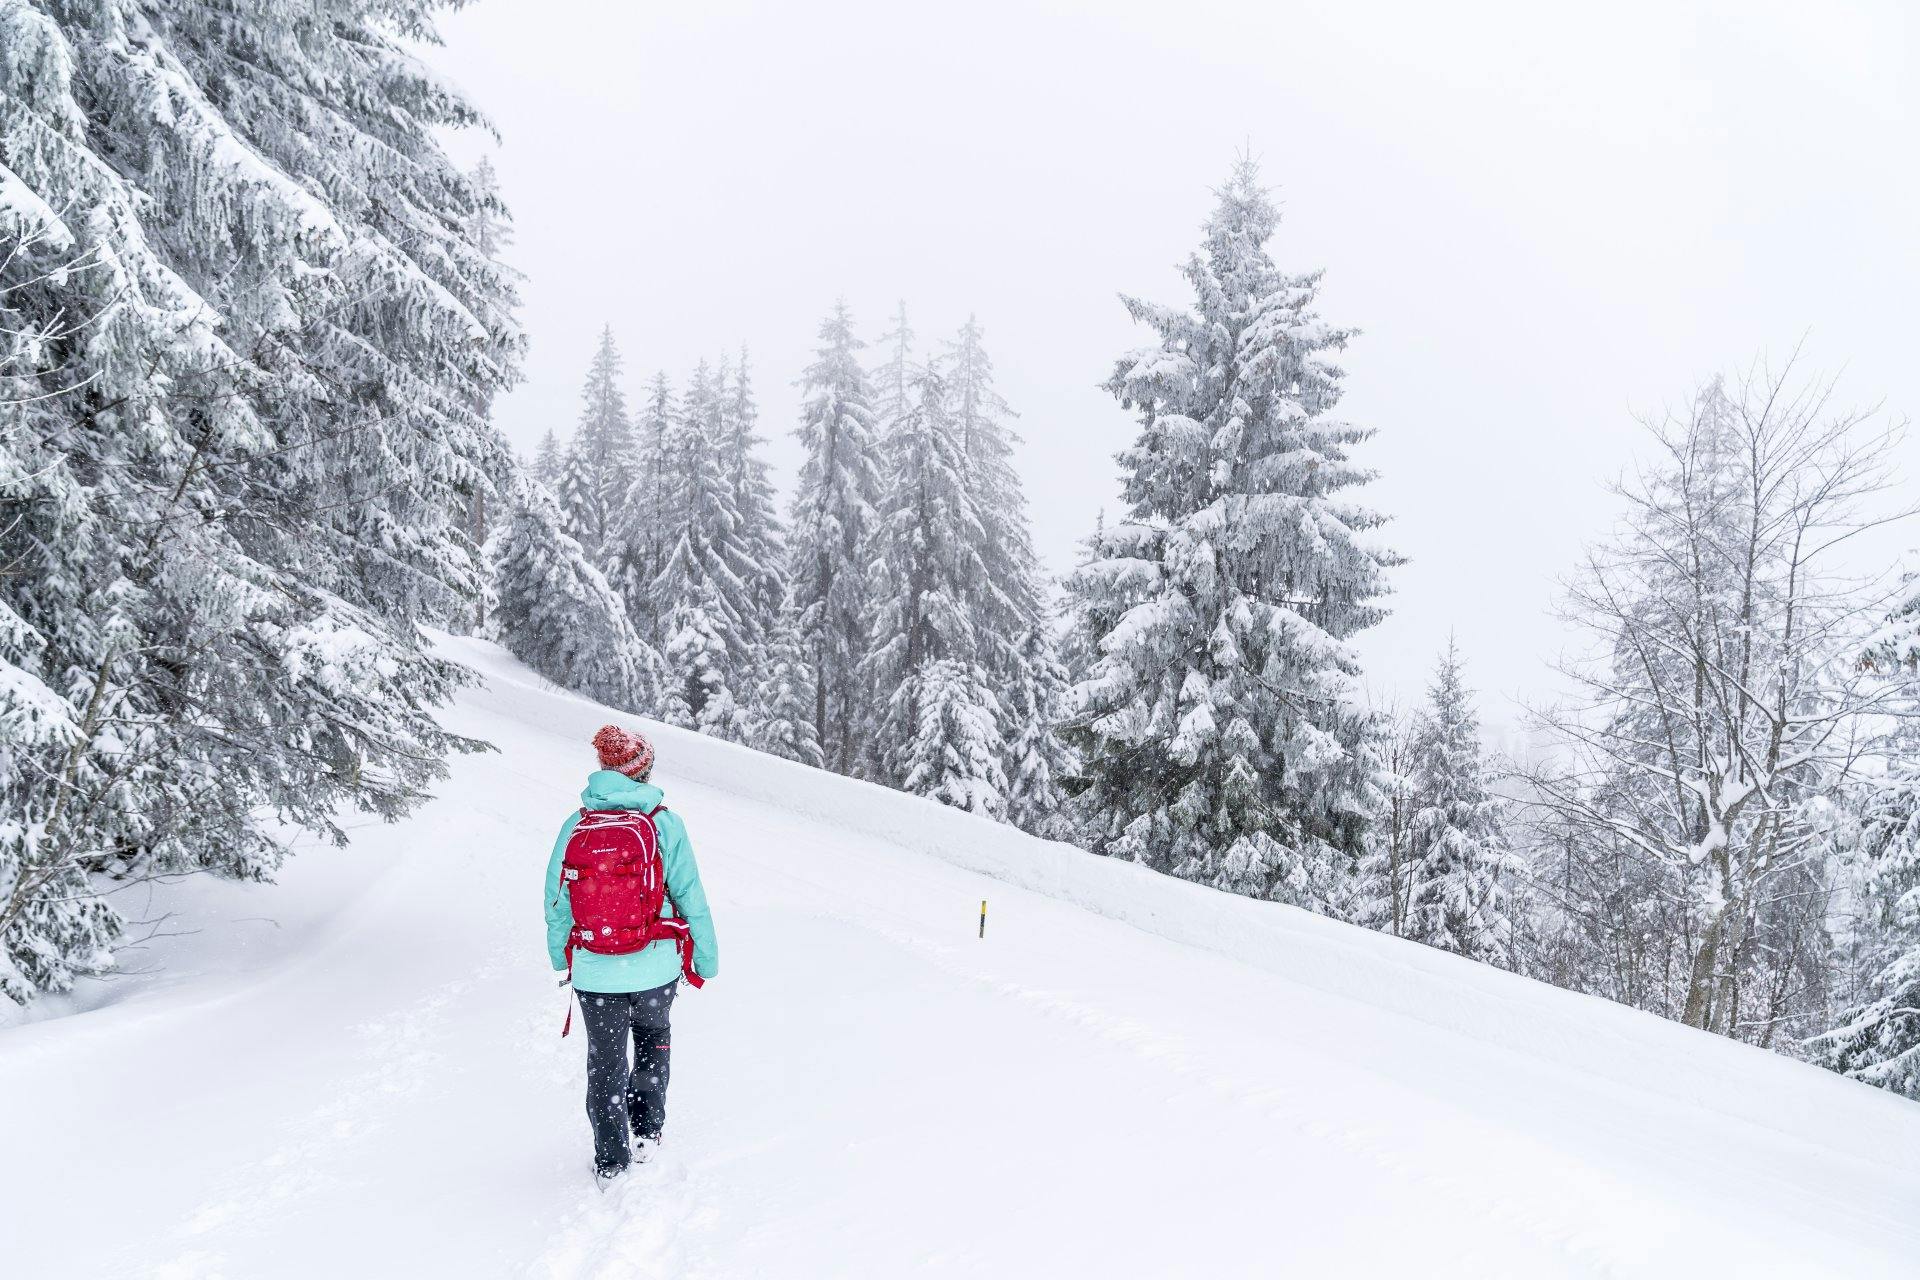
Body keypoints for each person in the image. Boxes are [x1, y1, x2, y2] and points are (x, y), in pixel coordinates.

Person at [545, 724, 719, 1188]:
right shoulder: (665, 823)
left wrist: (560, 958)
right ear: (644, 771)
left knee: (604, 1061)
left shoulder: (576, 825)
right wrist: (707, 957)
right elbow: (689, 895)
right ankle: (645, 1132)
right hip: (655, 966)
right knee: (651, 1043)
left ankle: (611, 1159)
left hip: (595, 972)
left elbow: (557, 899)